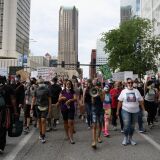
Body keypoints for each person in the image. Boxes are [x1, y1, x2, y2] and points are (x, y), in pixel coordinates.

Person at [117, 78, 145, 146]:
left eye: (131, 82)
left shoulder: (136, 91)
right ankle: (125, 138)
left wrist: (144, 110)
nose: (130, 84)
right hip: (125, 110)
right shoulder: (123, 91)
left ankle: (130, 138)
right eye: (129, 82)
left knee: (132, 126)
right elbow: (120, 102)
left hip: (135, 111)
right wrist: (117, 111)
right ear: (126, 84)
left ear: (133, 83)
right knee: (126, 125)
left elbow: (141, 101)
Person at [31, 79, 51, 143]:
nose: (40, 83)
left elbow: (49, 99)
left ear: (44, 83)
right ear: (38, 83)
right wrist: (31, 108)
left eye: (42, 82)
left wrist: (50, 108)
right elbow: (34, 99)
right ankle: (40, 133)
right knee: (39, 121)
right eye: (39, 82)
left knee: (43, 120)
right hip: (37, 107)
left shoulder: (47, 89)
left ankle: (43, 136)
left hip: (45, 107)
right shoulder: (36, 90)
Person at [0, 76, 17, 154]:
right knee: (3, 127)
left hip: (4, 110)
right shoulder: (8, 88)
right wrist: (15, 111)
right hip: (5, 110)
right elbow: (13, 100)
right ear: (4, 80)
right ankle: (1, 146)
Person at [58, 80, 77, 144]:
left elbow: (75, 98)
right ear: (65, 85)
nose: (68, 85)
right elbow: (59, 99)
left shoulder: (72, 91)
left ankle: (71, 138)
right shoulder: (62, 91)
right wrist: (62, 98)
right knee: (65, 122)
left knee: (70, 122)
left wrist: (70, 100)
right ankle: (67, 135)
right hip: (64, 108)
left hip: (71, 108)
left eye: (69, 84)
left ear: (71, 85)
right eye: (67, 84)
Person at [91, 81, 104, 148]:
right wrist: (94, 95)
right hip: (94, 109)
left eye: (99, 86)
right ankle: (94, 141)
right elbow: (92, 101)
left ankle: (98, 137)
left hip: (101, 109)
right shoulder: (93, 91)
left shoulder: (102, 91)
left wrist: (100, 93)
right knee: (94, 125)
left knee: (100, 123)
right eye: (97, 86)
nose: (97, 87)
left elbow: (102, 100)